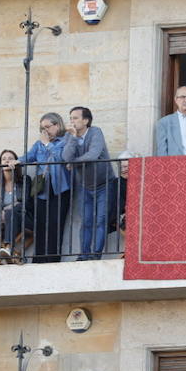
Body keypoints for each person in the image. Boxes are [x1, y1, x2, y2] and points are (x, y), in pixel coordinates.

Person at [61, 105, 115, 261]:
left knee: (101, 220)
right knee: (86, 221)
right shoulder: (70, 136)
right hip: (85, 186)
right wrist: (71, 138)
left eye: (75, 118)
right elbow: (66, 157)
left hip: (105, 184)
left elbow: (93, 154)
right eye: (70, 118)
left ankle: (96, 255)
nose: (72, 122)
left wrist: (74, 162)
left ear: (86, 120)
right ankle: (84, 254)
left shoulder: (95, 132)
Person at [23, 112, 72, 264]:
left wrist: (46, 144)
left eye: (47, 127)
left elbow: (61, 158)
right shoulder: (39, 144)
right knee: (41, 224)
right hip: (42, 190)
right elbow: (29, 156)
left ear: (57, 125)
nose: (44, 131)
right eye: (42, 128)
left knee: (55, 225)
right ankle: (39, 259)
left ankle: (52, 258)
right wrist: (15, 161)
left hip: (60, 189)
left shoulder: (66, 140)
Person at [0, 149, 29, 263]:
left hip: (22, 217)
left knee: (11, 212)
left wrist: (6, 210)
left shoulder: (24, 180)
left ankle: (8, 247)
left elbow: (24, 202)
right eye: (4, 159)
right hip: (0, 219)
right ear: (0, 164)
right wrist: (1, 212)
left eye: (10, 159)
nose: (7, 161)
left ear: (16, 163)